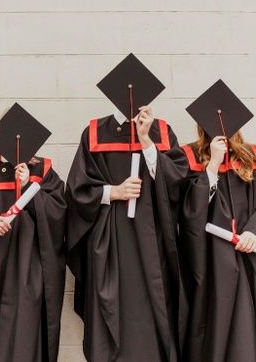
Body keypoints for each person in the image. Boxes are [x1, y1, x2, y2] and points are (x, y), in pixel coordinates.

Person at [66, 54, 188, 362]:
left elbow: (178, 182)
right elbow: (77, 191)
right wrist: (113, 192)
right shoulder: (94, 133)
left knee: (152, 310)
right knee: (111, 316)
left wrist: (147, 142)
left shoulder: (161, 131)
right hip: (110, 242)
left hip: (151, 239)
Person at [180, 79, 256, 362]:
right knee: (218, 324)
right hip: (214, 259)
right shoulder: (189, 156)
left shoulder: (252, 155)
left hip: (251, 255)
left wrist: (255, 232)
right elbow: (188, 211)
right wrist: (212, 166)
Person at [0, 103, 67, 362]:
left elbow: (60, 214)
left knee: (25, 335)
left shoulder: (43, 171)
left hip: (29, 269)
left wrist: (30, 185)